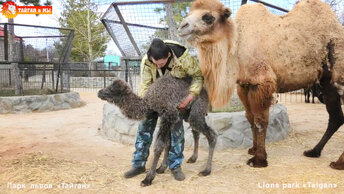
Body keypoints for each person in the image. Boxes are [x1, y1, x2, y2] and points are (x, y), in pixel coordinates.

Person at [124, 38, 204, 181]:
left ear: (168, 56)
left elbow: (198, 77)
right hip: (154, 96)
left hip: (175, 97)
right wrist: (146, 103)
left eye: (161, 63)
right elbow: (145, 84)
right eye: (156, 63)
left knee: (176, 128)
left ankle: (175, 165)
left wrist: (190, 96)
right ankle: (139, 164)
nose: (158, 66)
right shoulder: (147, 61)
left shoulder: (183, 58)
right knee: (144, 126)